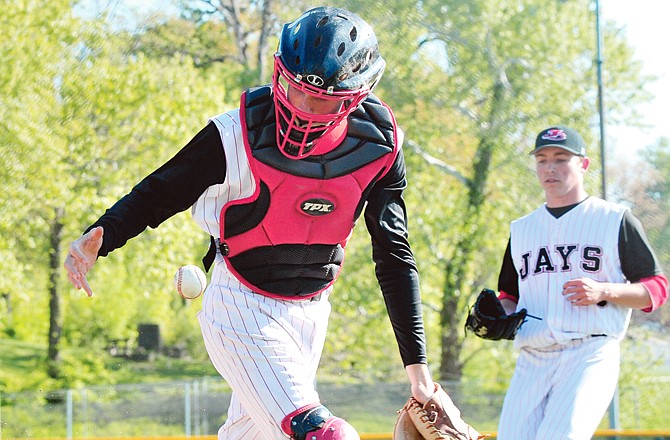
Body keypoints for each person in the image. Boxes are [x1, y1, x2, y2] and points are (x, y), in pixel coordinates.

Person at [64, 7, 447, 440]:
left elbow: (395, 257)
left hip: (311, 314)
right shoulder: (235, 133)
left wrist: (419, 373)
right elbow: (160, 192)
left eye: (319, 99)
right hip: (239, 307)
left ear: (355, 98)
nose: (300, 106)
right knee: (323, 434)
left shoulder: (378, 146)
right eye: (292, 87)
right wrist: (103, 234)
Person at [494, 125, 668, 440]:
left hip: (589, 350)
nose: (550, 167)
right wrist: (499, 315)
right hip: (534, 356)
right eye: (542, 159)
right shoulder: (522, 230)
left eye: (561, 158)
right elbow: (509, 294)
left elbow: (656, 289)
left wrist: (605, 290)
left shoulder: (614, 219)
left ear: (583, 164)